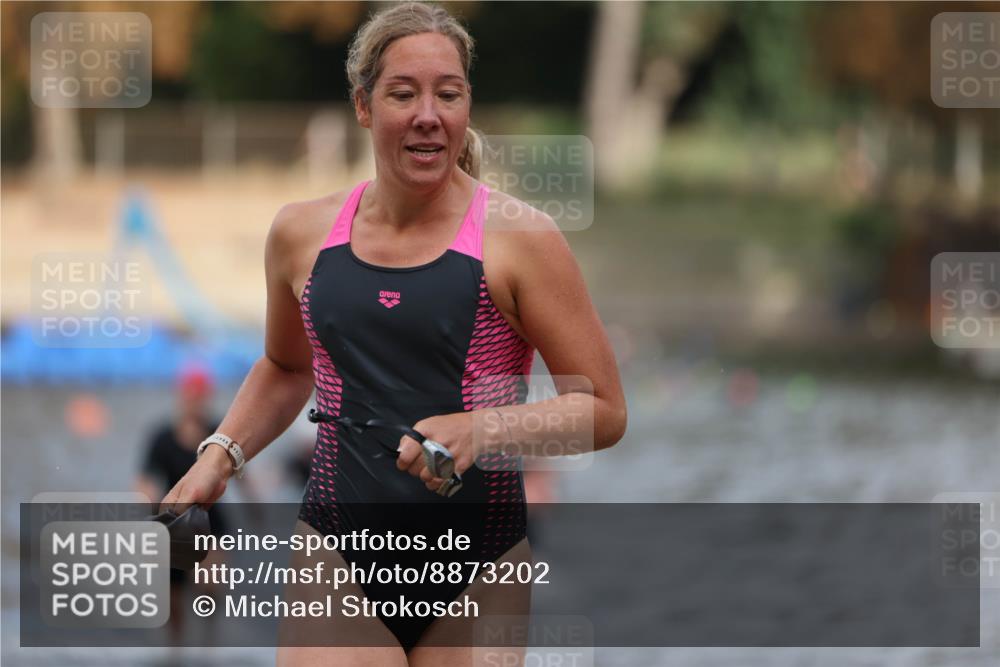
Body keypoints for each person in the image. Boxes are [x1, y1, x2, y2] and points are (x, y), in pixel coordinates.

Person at [161, 3, 627, 665]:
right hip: (337, 549)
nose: (428, 114)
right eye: (403, 93)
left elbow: (604, 411)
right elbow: (287, 368)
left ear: (467, 106)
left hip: (479, 564)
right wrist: (218, 456)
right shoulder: (301, 235)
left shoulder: (522, 240)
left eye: (449, 93)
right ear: (364, 106)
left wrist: (482, 430)